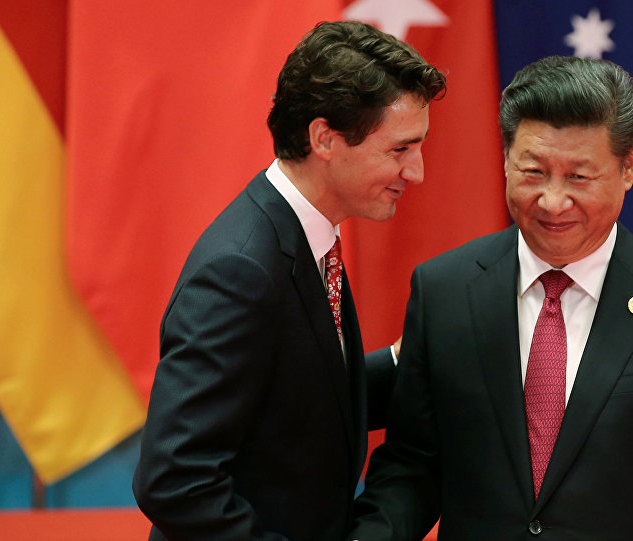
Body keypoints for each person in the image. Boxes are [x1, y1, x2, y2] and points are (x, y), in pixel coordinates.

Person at [350, 56, 633, 540]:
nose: (552, 201)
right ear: (506, 158)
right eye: (533, 171)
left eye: (578, 177)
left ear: (627, 167)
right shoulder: (445, 290)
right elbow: (412, 467)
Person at [133, 21, 446, 541]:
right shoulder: (240, 271)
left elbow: (296, 397)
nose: (416, 172)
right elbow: (175, 479)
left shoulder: (301, 236)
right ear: (325, 138)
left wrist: (410, 361)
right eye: (399, 150)